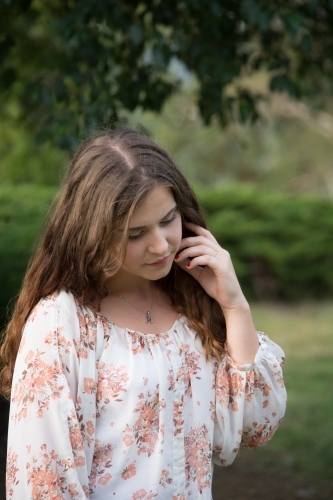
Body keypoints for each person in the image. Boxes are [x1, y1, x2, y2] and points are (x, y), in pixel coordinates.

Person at [1, 127, 286, 500]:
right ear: (95, 233)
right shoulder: (63, 324)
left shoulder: (190, 307)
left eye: (168, 219)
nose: (160, 245)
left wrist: (234, 305)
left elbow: (254, 426)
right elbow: (44, 484)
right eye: (135, 234)